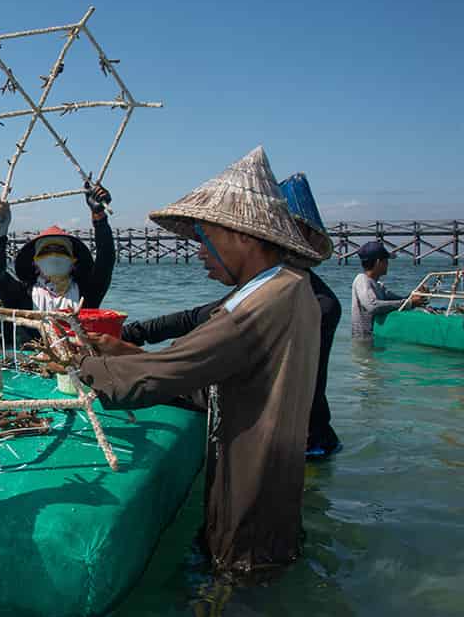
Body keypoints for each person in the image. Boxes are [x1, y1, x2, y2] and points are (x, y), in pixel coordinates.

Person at [73, 147, 324, 575]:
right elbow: (213, 373)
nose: (198, 251)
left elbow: (152, 381)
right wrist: (131, 353)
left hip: (246, 522)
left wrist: (80, 362)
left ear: (243, 236)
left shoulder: (255, 308)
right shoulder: (295, 287)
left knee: (227, 611)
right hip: (278, 507)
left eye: (204, 236)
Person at [117, 173, 344, 460]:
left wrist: (134, 367)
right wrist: (129, 333)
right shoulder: (265, 289)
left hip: (302, 446)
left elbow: (233, 367)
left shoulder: (310, 303)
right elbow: (194, 317)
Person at [0, 182, 116, 312]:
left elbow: (106, 259)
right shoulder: (23, 294)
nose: (54, 255)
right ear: (35, 264)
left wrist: (99, 216)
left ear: (73, 262)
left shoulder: (88, 292)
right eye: (46, 251)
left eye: (61, 250)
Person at [351, 240, 426, 340]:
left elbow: (399, 300)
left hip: (373, 340)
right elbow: (372, 306)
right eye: (386, 261)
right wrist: (410, 303)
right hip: (362, 342)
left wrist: (415, 294)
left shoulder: (379, 286)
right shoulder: (361, 279)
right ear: (378, 262)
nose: (388, 264)